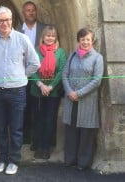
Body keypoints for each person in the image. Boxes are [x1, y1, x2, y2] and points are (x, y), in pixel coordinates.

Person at [0, 6, 40, 175]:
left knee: (16, 128)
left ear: (12, 20)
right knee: (0, 127)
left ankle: (14, 161)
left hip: (17, 92)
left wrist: (21, 76)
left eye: (7, 20)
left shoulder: (22, 39)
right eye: (1, 20)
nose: (4, 23)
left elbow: (35, 63)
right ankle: (2, 159)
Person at [62, 27, 104, 170]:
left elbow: (97, 80)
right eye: (82, 39)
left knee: (86, 132)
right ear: (78, 40)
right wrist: (69, 92)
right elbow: (64, 75)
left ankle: (83, 163)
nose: (85, 42)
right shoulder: (72, 55)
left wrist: (78, 93)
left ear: (92, 41)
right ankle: (70, 159)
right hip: (70, 100)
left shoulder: (97, 58)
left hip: (86, 101)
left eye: (88, 39)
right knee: (71, 131)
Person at [29, 25, 66, 159]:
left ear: (56, 38)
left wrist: (50, 87)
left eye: (53, 36)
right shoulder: (36, 50)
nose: (50, 38)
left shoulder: (61, 52)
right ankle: (38, 145)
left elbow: (62, 71)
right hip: (37, 91)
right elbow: (31, 69)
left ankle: (45, 147)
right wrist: (40, 85)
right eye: (47, 35)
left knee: (49, 120)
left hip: (53, 92)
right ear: (43, 37)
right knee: (38, 119)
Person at [17, 1, 47, 149]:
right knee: (23, 106)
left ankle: (38, 139)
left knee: (38, 107)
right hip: (22, 74)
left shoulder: (44, 29)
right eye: (28, 10)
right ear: (23, 12)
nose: (31, 13)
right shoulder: (17, 30)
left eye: (33, 10)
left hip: (40, 75)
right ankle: (25, 137)